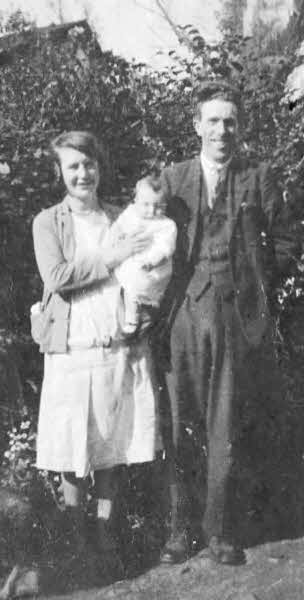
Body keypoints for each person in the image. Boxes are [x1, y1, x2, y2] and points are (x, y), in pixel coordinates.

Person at [158, 81, 294, 565]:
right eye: (212, 120)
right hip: (183, 315)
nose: (222, 130)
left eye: (230, 121)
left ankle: (219, 530)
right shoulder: (172, 179)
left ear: (241, 126)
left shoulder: (259, 176)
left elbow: (283, 243)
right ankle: (178, 530)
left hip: (236, 316)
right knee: (180, 422)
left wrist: (256, 288)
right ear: (196, 125)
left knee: (226, 421)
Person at [32, 131, 161, 570]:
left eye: (89, 165)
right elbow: (57, 276)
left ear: (99, 168)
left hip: (115, 348)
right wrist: (111, 256)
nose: (83, 173)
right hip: (72, 351)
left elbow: (145, 270)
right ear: (60, 173)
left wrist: (144, 312)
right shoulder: (47, 222)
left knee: (111, 449)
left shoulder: (119, 218)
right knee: (72, 453)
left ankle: (107, 544)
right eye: (73, 166)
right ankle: (74, 545)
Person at [105, 174, 177, 336]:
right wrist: (116, 235)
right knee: (128, 284)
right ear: (135, 201)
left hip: (154, 267)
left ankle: (135, 317)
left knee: (136, 283)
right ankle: (132, 315)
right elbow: (119, 226)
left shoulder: (166, 224)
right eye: (146, 205)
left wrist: (153, 262)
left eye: (158, 206)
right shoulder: (131, 213)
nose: (152, 211)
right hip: (132, 258)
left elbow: (166, 248)